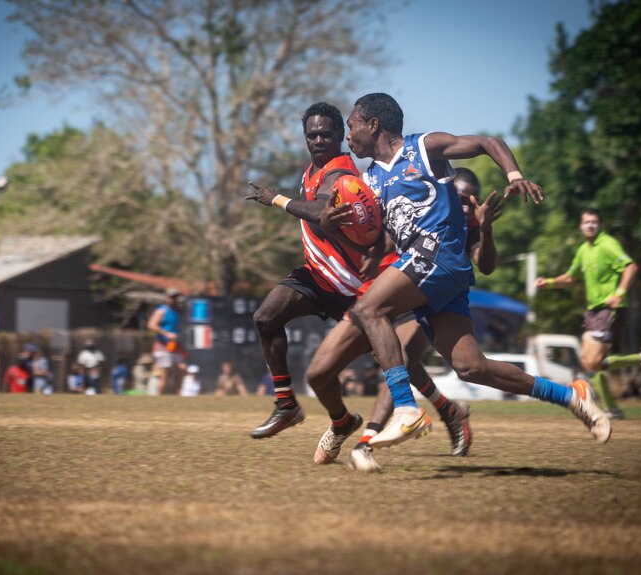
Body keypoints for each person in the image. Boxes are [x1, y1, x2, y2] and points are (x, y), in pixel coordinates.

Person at [333, 92, 611, 450]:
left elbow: (486, 141)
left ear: (373, 125)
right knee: (470, 366)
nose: (348, 135)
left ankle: (405, 408)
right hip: (433, 272)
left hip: (438, 256)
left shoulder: (423, 148)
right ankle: (571, 395)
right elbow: (391, 231)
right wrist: (370, 250)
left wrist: (514, 174)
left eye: (351, 125)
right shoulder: (369, 180)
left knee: (370, 309)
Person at [308, 165, 502, 471]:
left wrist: (486, 229)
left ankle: (366, 444)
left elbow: (486, 263)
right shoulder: (426, 205)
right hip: (394, 288)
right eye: (460, 198)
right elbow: (388, 229)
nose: (465, 207)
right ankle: (449, 409)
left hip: (432, 299)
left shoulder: (470, 227)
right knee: (377, 361)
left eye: (470, 201)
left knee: (400, 362)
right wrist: (369, 248)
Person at [245, 102, 371, 441]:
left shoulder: (341, 172)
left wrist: (276, 199)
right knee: (265, 317)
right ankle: (287, 405)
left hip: (353, 286)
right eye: (312, 135)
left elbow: (319, 211)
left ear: (340, 136)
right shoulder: (311, 169)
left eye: (325, 134)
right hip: (318, 277)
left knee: (398, 363)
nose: (318, 140)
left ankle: (447, 410)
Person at [535, 207, 641, 420]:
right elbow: (570, 277)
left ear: (600, 225)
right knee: (591, 363)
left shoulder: (608, 244)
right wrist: (547, 283)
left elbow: (631, 266)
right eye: (586, 222)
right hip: (593, 312)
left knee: (592, 362)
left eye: (594, 222)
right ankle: (636, 370)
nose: (590, 225)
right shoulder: (584, 249)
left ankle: (620, 396)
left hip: (610, 309)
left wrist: (620, 293)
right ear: (580, 226)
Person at [147, 288, 184, 395]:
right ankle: (159, 399)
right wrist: (166, 334)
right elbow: (151, 325)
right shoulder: (161, 310)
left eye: (175, 297)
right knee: (164, 375)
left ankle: (178, 397)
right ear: (166, 298)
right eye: (172, 297)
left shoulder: (176, 312)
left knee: (181, 370)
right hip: (162, 346)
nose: (174, 299)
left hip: (174, 346)